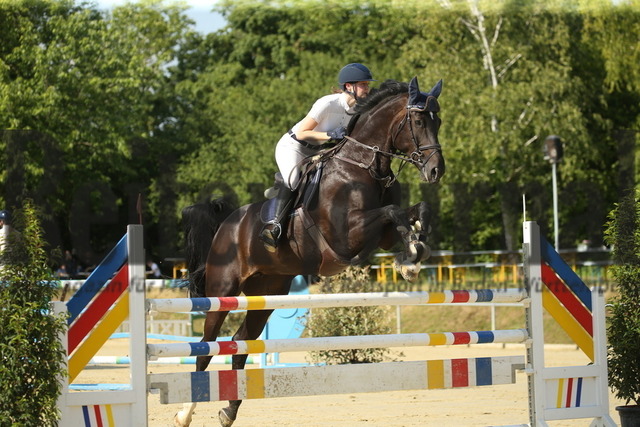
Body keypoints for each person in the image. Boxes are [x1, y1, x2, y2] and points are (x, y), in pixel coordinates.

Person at [260, 63, 375, 252]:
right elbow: (302, 133)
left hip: (318, 150)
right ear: (349, 86)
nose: (367, 89)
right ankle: (274, 228)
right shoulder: (327, 103)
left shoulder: (357, 110)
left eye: (367, 85)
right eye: (363, 84)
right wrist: (329, 135)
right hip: (294, 146)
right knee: (294, 181)